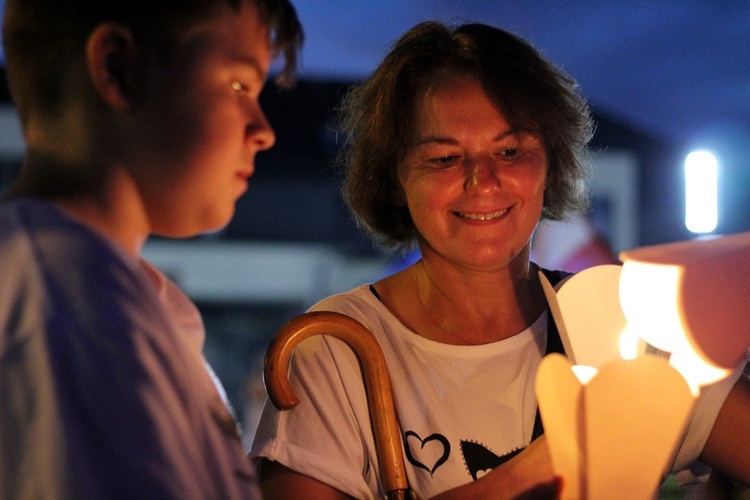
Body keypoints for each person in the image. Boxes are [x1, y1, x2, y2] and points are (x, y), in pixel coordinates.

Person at [249, 21, 750, 498]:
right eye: (444, 158)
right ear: (395, 178)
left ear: (551, 165)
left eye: (510, 152)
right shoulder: (336, 350)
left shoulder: (621, 327)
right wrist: (524, 477)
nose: (482, 181)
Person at [0, 1, 302, 498]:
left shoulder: (115, 301)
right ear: (118, 68)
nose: (264, 131)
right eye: (238, 86)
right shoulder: (71, 314)